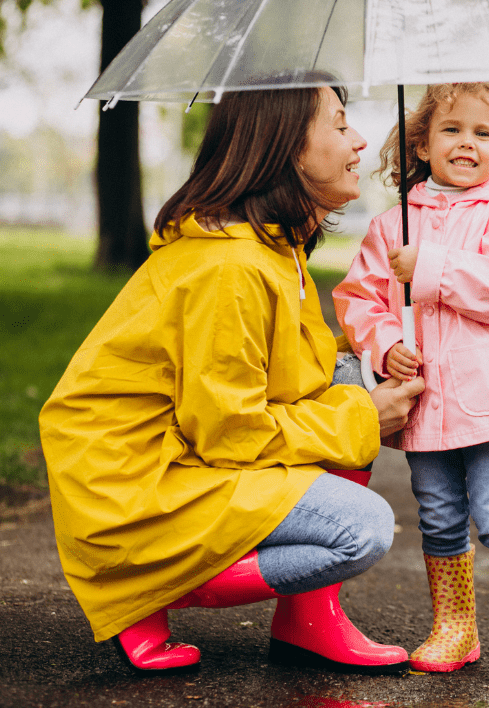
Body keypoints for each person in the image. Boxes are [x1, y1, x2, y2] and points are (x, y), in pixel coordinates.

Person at [39, 82, 424, 676]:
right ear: (290, 148)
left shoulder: (271, 247)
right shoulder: (230, 267)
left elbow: (296, 380)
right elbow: (230, 432)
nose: (360, 140)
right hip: (136, 486)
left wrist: (380, 357)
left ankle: (307, 621)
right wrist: (364, 418)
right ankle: (143, 588)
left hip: (184, 451)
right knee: (361, 529)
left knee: (352, 375)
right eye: (341, 124)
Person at [333, 82, 489, 680]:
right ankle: (455, 627)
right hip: (426, 404)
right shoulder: (392, 223)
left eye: (484, 134)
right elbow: (360, 298)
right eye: (451, 130)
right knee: (438, 514)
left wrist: (428, 267)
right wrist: (386, 344)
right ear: (421, 145)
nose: (467, 143)